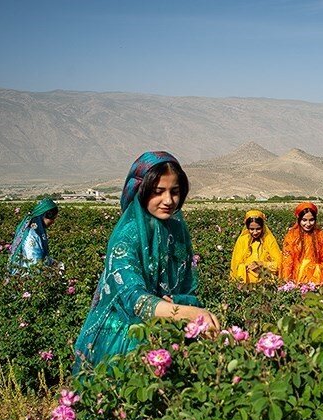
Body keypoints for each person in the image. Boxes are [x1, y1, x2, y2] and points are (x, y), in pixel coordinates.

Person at [73, 151, 219, 373]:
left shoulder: (176, 231)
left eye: (175, 192)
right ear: (141, 192)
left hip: (166, 331)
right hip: (124, 340)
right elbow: (135, 299)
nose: (168, 201)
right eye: (158, 192)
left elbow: (186, 286)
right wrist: (188, 312)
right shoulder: (126, 238)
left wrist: (179, 302)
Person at [280, 202, 323, 285]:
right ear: (299, 219)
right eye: (304, 220)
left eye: (311, 220)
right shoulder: (292, 236)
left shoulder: (320, 235)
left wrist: (317, 269)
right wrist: (287, 279)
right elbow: (288, 259)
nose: (308, 224)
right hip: (297, 278)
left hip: (317, 278)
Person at [230, 210, 282, 283]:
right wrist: (246, 267)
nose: (255, 232)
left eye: (258, 229)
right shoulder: (242, 241)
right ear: (247, 228)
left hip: (266, 281)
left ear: (262, 227)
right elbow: (235, 264)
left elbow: (279, 264)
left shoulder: (269, 240)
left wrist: (262, 264)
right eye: (252, 229)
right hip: (246, 281)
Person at [8, 198, 59, 271]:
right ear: (44, 216)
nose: (53, 222)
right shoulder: (31, 235)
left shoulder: (37, 230)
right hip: (27, 275)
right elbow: (34, 262)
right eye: (52, 218)